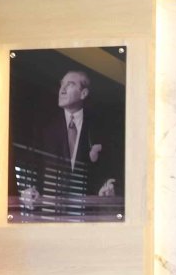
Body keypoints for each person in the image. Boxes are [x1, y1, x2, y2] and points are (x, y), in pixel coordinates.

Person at [38, 69, 118, 198]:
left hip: (86, 205)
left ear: (83, 93)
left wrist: (106, 188)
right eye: (61, 84)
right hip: (52, 203)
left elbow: (106, 172)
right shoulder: (46, 127)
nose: (62, 90)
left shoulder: (99, 127)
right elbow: (39, 168)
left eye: (69, 85)